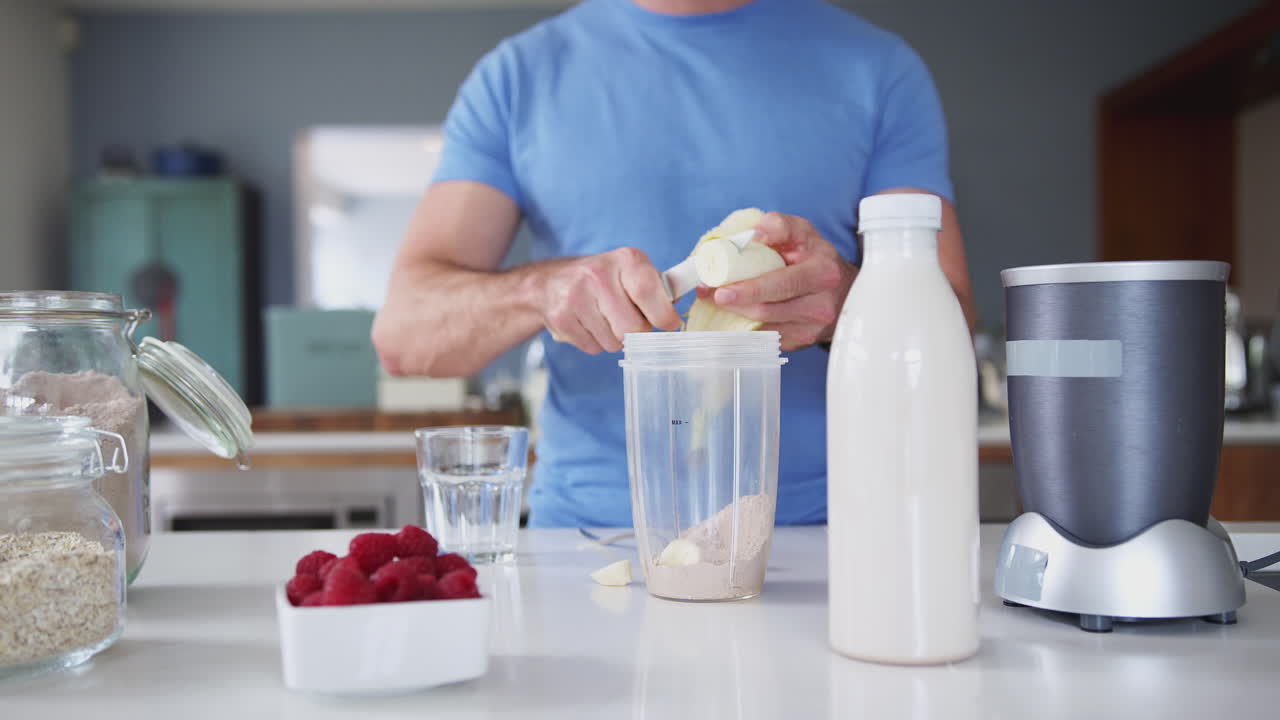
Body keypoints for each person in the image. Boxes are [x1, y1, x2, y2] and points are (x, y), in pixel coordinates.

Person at [373, 0, 977, 528]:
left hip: (834, 536)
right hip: (585, 543)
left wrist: (844, 298)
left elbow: (951, 331)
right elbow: (403, 334)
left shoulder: (878, 71)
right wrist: (542, 290)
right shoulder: (517, 78)